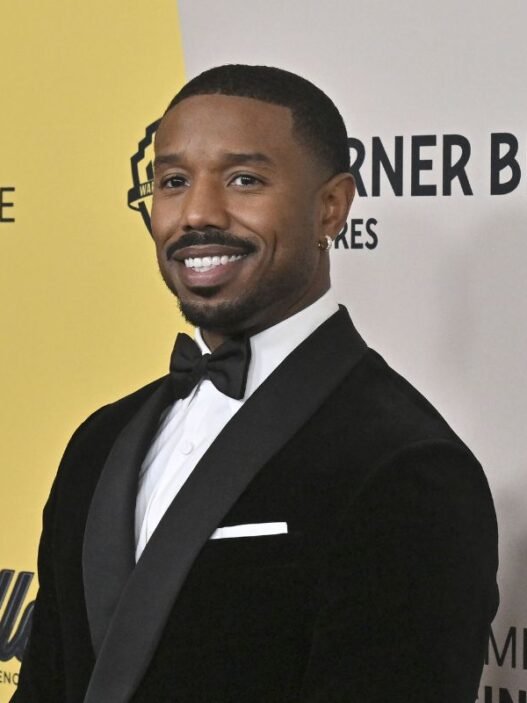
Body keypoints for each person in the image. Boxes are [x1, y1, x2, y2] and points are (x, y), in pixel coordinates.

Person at [13, 64, 498, 703]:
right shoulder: (98, 442)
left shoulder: (406, 464)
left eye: (244, 180)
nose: (197, 213)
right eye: (173, 181)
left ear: (331, 207)